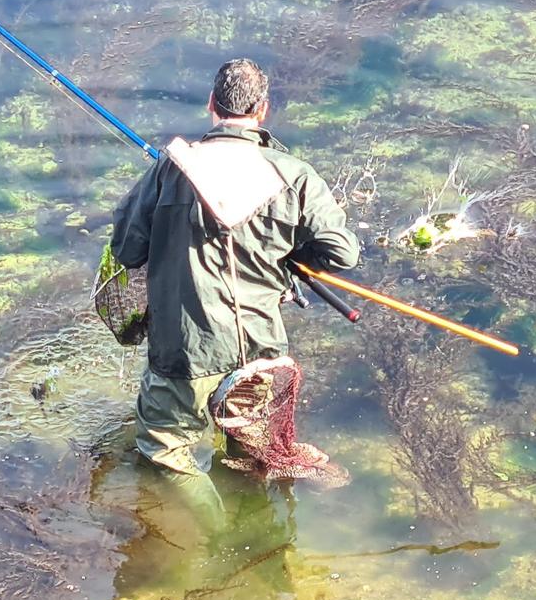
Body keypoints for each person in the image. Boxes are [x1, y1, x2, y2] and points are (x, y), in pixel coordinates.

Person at [108, 58, 360, 524]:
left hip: (186, 351)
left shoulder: (171, 169)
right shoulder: (294, 175)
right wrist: (293, 259)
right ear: (262, 110)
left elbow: (126, 250)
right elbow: (342, 253)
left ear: (211, 105)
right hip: (263, 351)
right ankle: (262, 531)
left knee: (164, 449)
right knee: (250, 443)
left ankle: (221, 537)